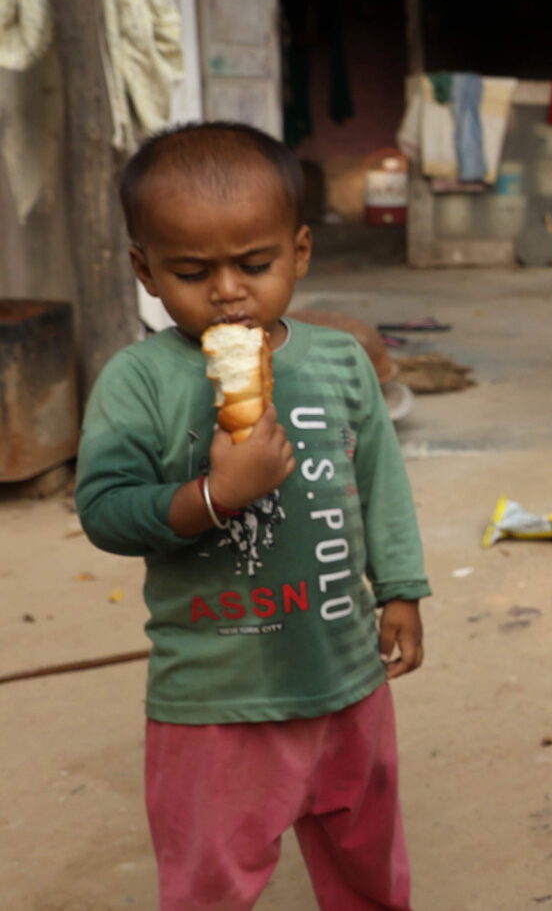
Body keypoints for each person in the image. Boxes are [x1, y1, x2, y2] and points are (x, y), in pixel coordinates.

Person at [77, 122, 430, 909]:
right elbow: (103, 507)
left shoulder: (339, 360)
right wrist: (214, 496)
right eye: (194, 271)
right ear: (144, 269)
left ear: (299, 252)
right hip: (214, 697)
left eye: (256, 264)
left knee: (369, 866)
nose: (229, 290)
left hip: (345, 676)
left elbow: (380, 478)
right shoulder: (139, 380)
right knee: (211, 880)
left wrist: (401, 586)